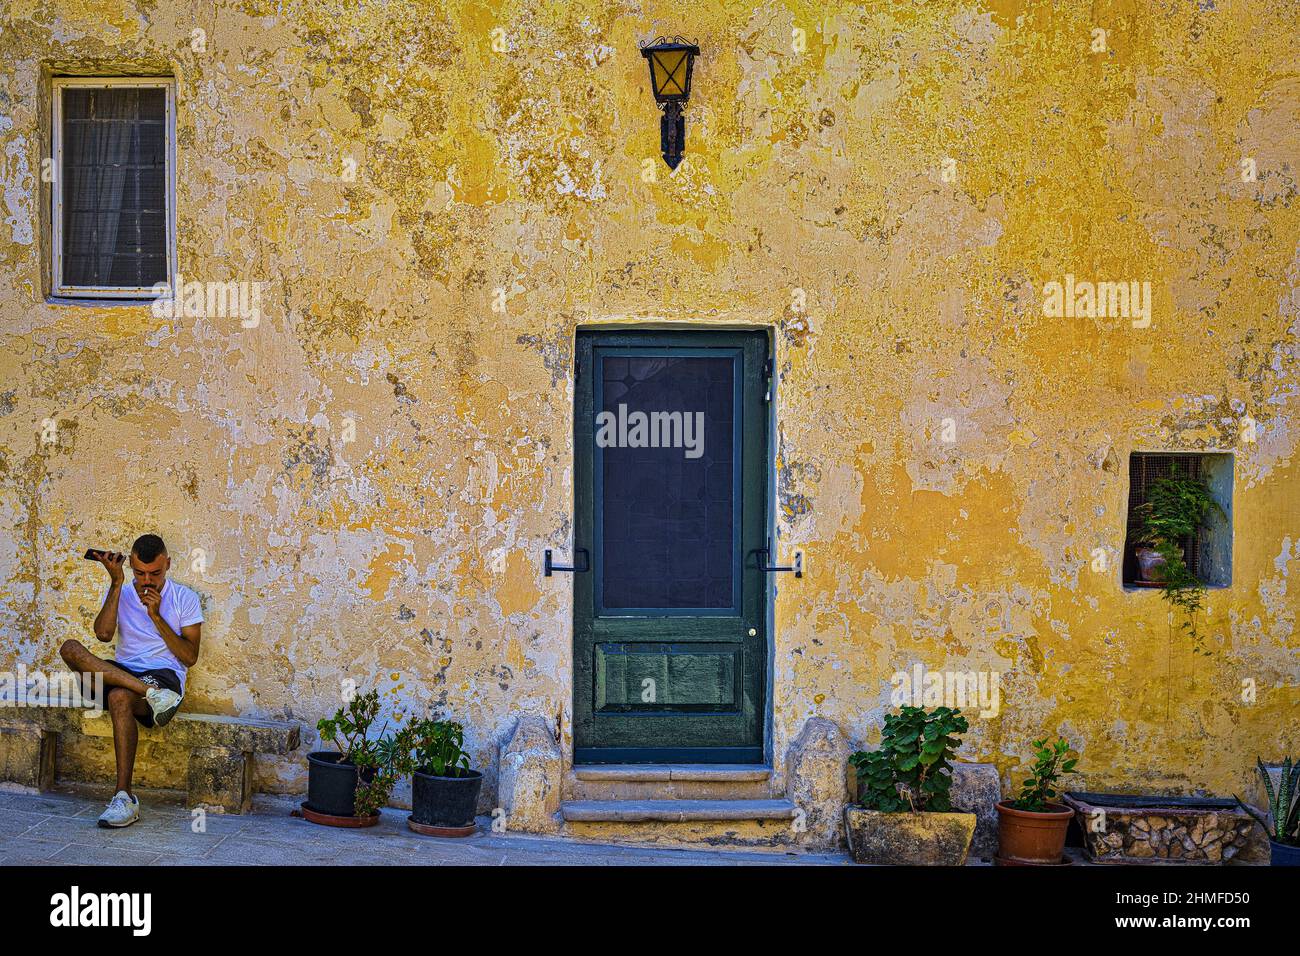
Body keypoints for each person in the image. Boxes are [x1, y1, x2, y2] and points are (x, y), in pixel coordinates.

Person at [59, 534, 203, 828]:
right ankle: (152, 694)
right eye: (139, 573)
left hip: (163, 675)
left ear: (168, 565)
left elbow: (189, 657)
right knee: (70, 649)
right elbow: (103, 634)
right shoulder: (121, 592)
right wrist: (115, 583)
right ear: (132, 567)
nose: (147, 580)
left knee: (119, 697)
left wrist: (157, 616)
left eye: (155, 573)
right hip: (125, 672)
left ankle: (124, 798)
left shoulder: (184, 598)